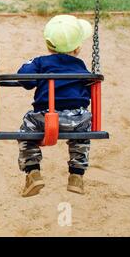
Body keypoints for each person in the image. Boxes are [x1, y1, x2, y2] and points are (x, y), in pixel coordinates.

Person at [17, 15, 93, 197]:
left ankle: (33, 172)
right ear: (77, 47)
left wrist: (32, 63)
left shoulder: (41, 62)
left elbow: (24, 79)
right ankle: (76, 175)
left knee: (26, 128)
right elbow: (89, 86)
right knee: (83, 135)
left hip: (46, 117)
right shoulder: (80, 65)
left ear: (48, 45)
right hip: (77, 119)